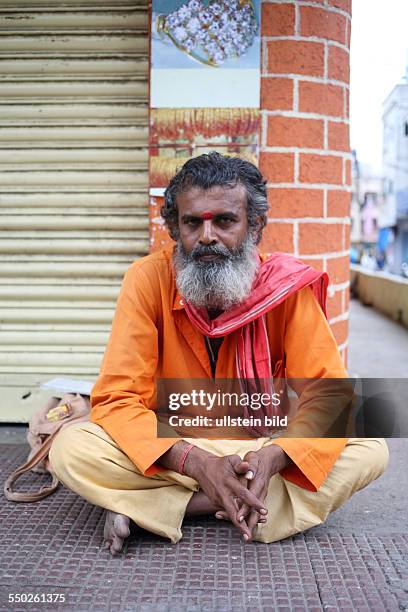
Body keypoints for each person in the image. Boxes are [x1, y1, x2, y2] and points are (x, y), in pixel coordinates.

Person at [49, 153, 389, 556]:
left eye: (224, 221)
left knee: (370, 441)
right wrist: (194, 461)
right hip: (173, 447)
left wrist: (277, 456)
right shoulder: (146, 280)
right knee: (71, 448)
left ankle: (156, 509)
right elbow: (119, 398)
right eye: (193, 222)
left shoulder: (286, 287)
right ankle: (247, 504)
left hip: (257, 447)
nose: (207, 236)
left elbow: (328, 392)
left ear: (254, 225)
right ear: (175, 227)